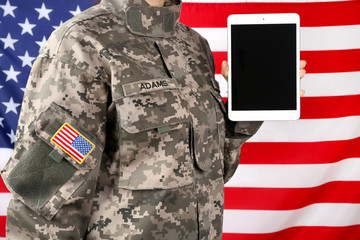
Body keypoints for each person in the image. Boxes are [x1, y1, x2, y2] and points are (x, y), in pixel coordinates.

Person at [0, 0, 306, 239]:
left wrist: (248, 108)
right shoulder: (83, 43)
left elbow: (212, 168)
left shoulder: (194, 46)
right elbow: (44, 191)